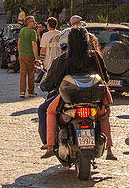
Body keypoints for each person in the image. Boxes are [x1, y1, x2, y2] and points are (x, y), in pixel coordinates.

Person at [40, 27, 115, 161]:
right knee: (104, 116)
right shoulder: (95, 56)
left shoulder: (65, 58)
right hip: (93, 98)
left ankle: (50, 146)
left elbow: (57, 80)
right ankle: (109, 149)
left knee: (50, 112)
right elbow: (105, 77)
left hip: (70, 99)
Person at [18, 16, 38, 98]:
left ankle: (22, 91)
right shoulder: (32, 32)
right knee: (31, 74)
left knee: (22, 74)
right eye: (33, 21)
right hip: (30, 55)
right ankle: (30, 91)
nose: (35, 23)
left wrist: (20, 53)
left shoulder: (22, 30)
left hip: (22, 55)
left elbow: (19, 43)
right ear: (29, 23)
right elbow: (34, 44)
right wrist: (36, 57)